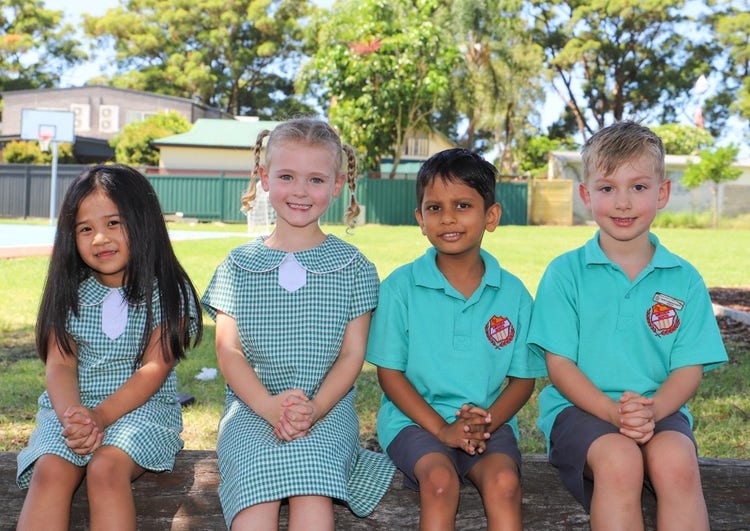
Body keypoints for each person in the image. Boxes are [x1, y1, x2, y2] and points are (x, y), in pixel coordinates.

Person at [527, 121, 728, 531]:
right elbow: (559, 364)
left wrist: (653, 410)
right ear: (586, 195)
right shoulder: (565, 273)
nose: (622, 202)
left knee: (677, 461)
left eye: (638, 187)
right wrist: (613, 413)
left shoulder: (683, 278)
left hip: (659, 408)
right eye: (606, 188)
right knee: (620, 461)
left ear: (663, 192)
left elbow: (689, 368)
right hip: (580, 409)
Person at [201, 117, 395, 530]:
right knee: (255, 491)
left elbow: (352, 354)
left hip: (327, 409)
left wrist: (316, 407)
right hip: (252, 407)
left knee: (312, 488)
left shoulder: (354, 268)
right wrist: (269, 407)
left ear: (338, 184)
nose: (301, 191)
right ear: (264, 178)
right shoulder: (238, 266)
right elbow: (228, 350)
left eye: (316, 179)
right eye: (287, 176)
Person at [366, 148, 545, 530]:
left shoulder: (513, 294)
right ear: (420, 219)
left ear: (490, 216)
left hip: (488, 423)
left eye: (462, 205)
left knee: (504, 482)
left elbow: (524, 379)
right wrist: (442, 429)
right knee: (441, 482)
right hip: (413, 422)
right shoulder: (400, 288)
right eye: (434, 208)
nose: (447, 217)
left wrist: (487, 421)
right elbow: (390, 376)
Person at [16, 164, 203, 530]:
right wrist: (75, 418)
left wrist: (100, 417)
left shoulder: (167, 292)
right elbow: (61, 365)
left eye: (113, 223)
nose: (99, 238)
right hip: (71, 409)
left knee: (105, 467)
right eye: (86, 229)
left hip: (141, 411)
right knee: (50, 469)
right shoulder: (70, 292)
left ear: (143, 221)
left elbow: (154, 368)